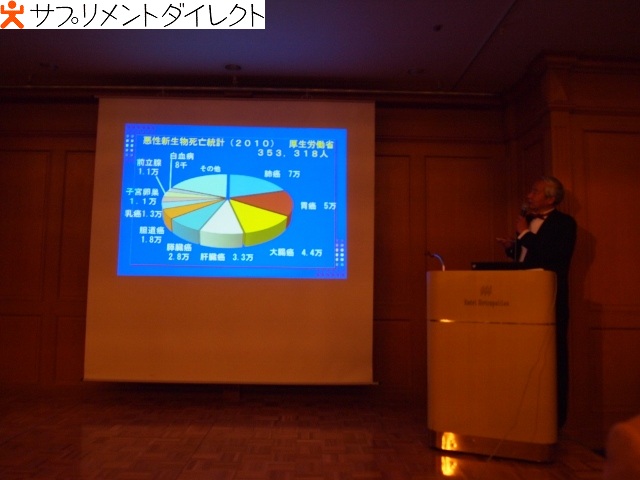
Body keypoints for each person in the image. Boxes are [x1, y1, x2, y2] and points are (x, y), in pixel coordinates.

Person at [497, 175, 577, 428]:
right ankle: (523, 412)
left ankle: (554, 418)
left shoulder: (565, 224)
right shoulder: (529, 221)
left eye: (534, 191)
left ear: (550, 198)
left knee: (552, 358)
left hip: (549, 299)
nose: (528, 196)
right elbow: (529, 258)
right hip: (522, 299)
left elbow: (552, 256)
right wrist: (513, 247)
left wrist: (524, 234)